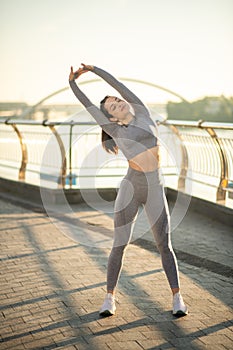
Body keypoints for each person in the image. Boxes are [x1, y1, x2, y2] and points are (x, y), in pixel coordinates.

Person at [69, 63, 188, 317]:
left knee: (164, 245)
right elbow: (89, 106)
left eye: (117, 101)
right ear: (111, 117)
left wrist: (94, 69)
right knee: (119, 244)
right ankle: (109, 298)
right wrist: (73, 82)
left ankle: (178, 298)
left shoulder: (143, 112)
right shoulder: (114, 129)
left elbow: (118, 85)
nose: (118, 102)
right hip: (131, 188)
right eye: (113, 106)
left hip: (155, 187)